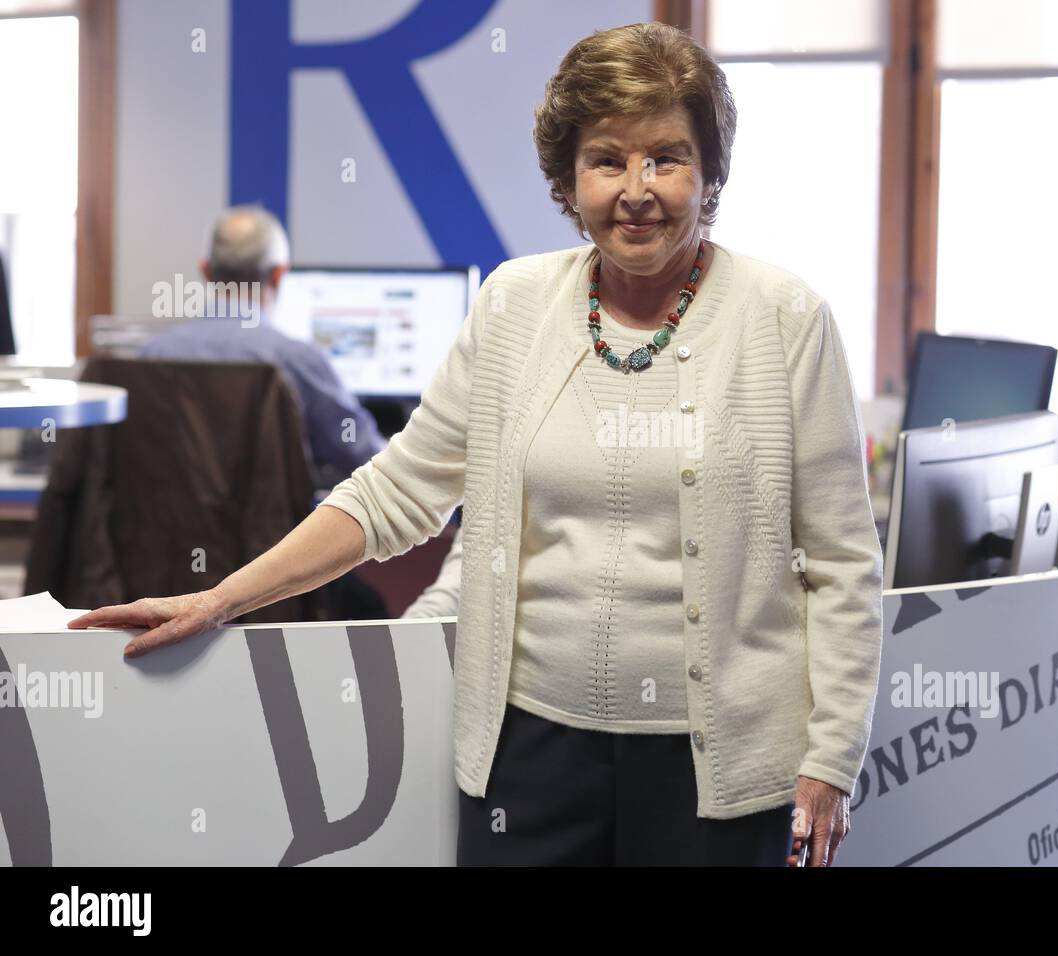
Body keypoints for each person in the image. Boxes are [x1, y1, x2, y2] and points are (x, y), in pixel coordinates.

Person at [69, 22, 884, 867]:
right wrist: (220, 599)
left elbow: (843, 563)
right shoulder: (514, 305)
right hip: (528, 756)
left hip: (721, 772)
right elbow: (397, 492)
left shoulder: (784, 319)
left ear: (709, 171)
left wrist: (831, 759)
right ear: (570, 179)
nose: (636, 189)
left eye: (666, 157)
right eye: (607, 159)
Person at [139, 205, 386, 481]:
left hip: (169, 522)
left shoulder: (154, 355)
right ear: (279, 274)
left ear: (205, 271)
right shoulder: (297, 360)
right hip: (278, 525)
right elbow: (368, 461)